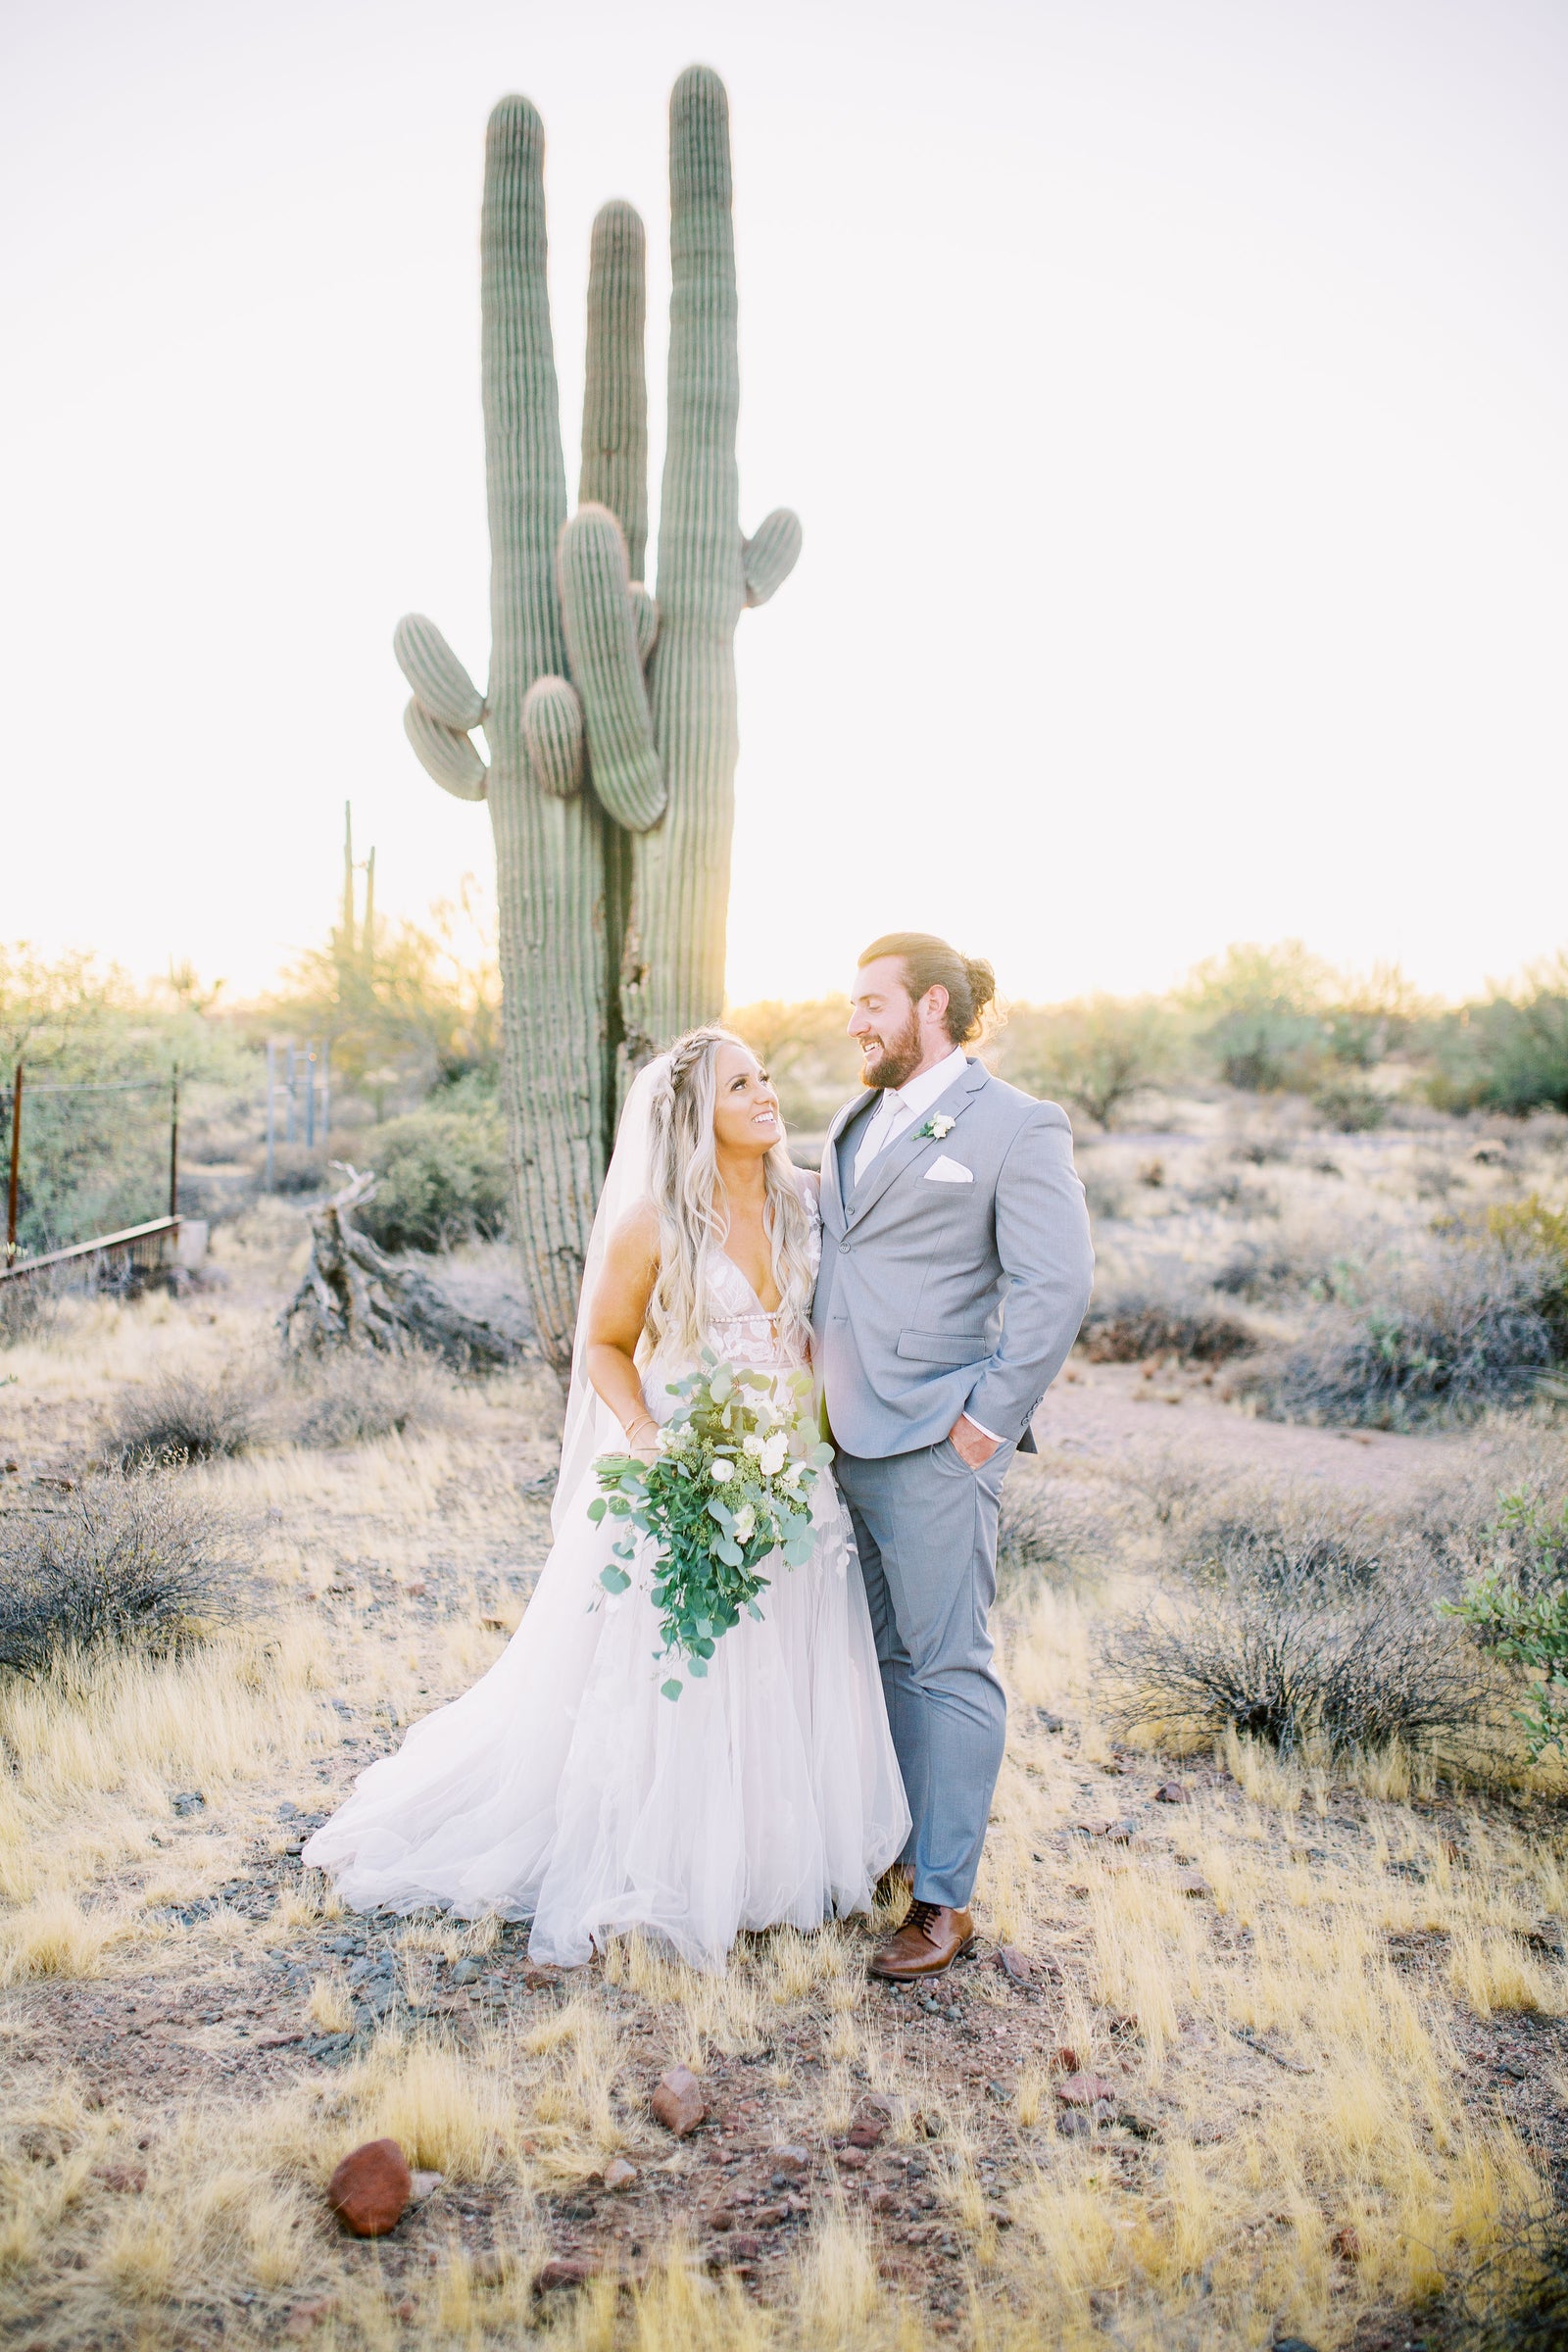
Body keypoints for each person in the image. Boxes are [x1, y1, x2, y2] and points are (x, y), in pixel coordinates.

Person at [303, 1028, 908, 1973]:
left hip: (795, 1473)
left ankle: (773, 1853)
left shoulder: (807, 1204)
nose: (765, 1095)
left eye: (765, 1078)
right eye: (739, 1084)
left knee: (791, 1651)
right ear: (691, 1116)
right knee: (689, 1663)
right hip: (686, 1468)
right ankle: (673, 1858)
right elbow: (604, 1347)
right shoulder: (654, 1225)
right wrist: (647, 1437)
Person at [814, 933, 1094, 1981]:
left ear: (931, 1003)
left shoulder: (1016, 1126)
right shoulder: (853, 1117)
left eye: (870, 1003)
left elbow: (1056, 1287)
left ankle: (944, 1901)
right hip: (841, 1439)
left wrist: (984, 1422)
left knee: (950, 1666)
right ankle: (901, 1849)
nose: (854, 1022)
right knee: (884, 1663)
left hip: (937, 1438)